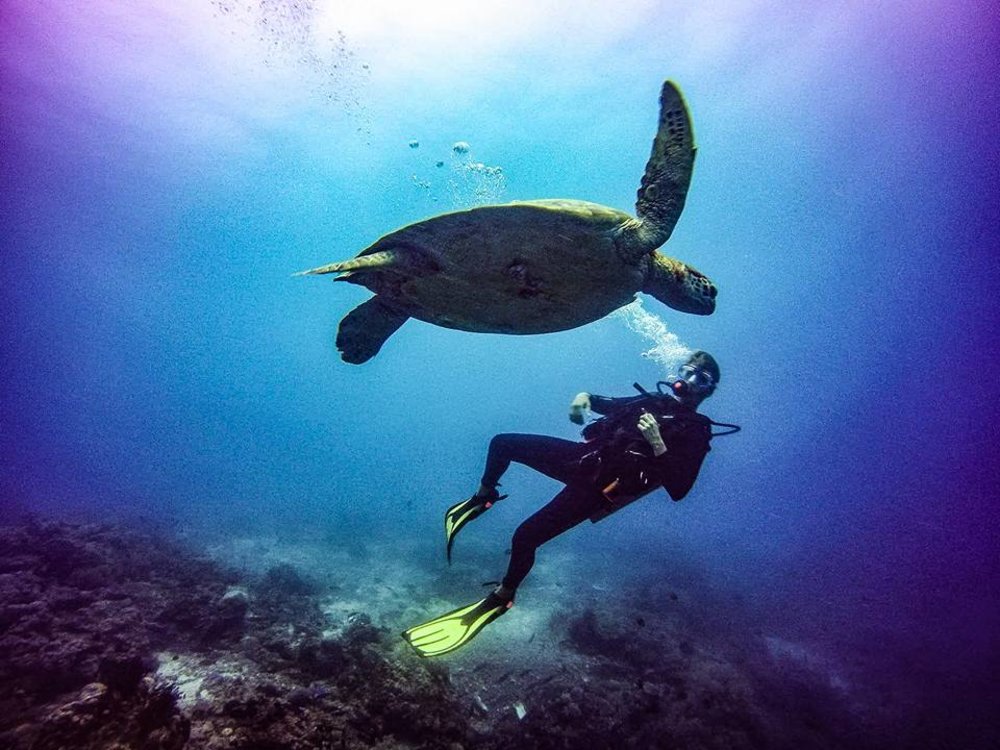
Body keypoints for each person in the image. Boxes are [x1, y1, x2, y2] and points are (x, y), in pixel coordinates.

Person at [402, 350, 735, 657]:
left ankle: (502, 598)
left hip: (600, 489)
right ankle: (483, 496)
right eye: (687, 372)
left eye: (700, 380)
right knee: (502, 443)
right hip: (581, 460)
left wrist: (658, 443)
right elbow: (606, 403)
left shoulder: (696, 430)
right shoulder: (654, 400)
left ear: (709, 391)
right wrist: (583, 399)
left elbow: (679, 489)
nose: (689, 382)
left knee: (524, 537)